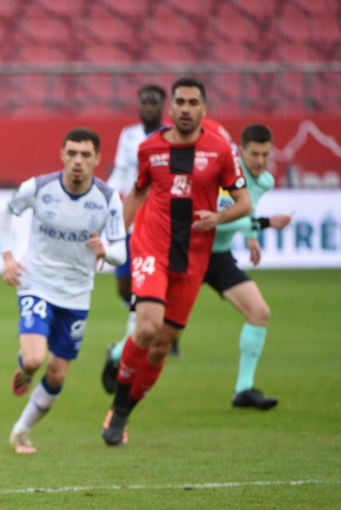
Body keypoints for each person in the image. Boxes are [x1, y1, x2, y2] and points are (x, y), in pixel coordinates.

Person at [101, 78, 252, 447]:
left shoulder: (220, 151)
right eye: (180, 102)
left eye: (193, 102)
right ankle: (118, 406)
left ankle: (125, 409)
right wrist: (114, 240)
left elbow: (244, 203)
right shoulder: (149, 148)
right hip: (151, 247)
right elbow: (137, 192)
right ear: (171, 109)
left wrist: (218, 218)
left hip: (193, 258)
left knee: (161, 345)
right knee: (147, 328)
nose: (185, 108)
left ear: (204, 109)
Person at [0, 128, 127, 454]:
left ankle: (21, 430)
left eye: (85, 155)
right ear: (62, 155)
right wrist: (8, 257)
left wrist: (105, 250)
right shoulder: (39, 187)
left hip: (77, 294)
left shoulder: (109, 199)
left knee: (56, 375)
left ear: (97, 158)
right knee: (34, 359)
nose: (77, 161)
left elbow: (120, 251)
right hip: (37, 283)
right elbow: (6, 212)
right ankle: (26, 367)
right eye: (72, 153)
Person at [203, 124, 291, 409]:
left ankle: (243, 390)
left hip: (219, 256)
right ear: (241, 151)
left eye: (265, 154)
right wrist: (264, 224)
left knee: (259, 312)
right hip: (192, 254)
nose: (260, 160)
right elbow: (218, 219)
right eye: (254, 153)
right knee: (156, 328)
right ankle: (117, 355)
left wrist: (252, 236)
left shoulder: (264, 181)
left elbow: (246, 209)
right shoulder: (226, 175)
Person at [106, 86, 167, 365]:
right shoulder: (129, 135)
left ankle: (137, 338)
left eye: (154, 102)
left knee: (146, 283)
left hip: (156, 222)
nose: (149, 107)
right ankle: (144, 324)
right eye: (145, 102)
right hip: (129, 219)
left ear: (162, 106)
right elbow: (120, 173)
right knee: (124, 286)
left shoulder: (170, 137)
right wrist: (103, 198)